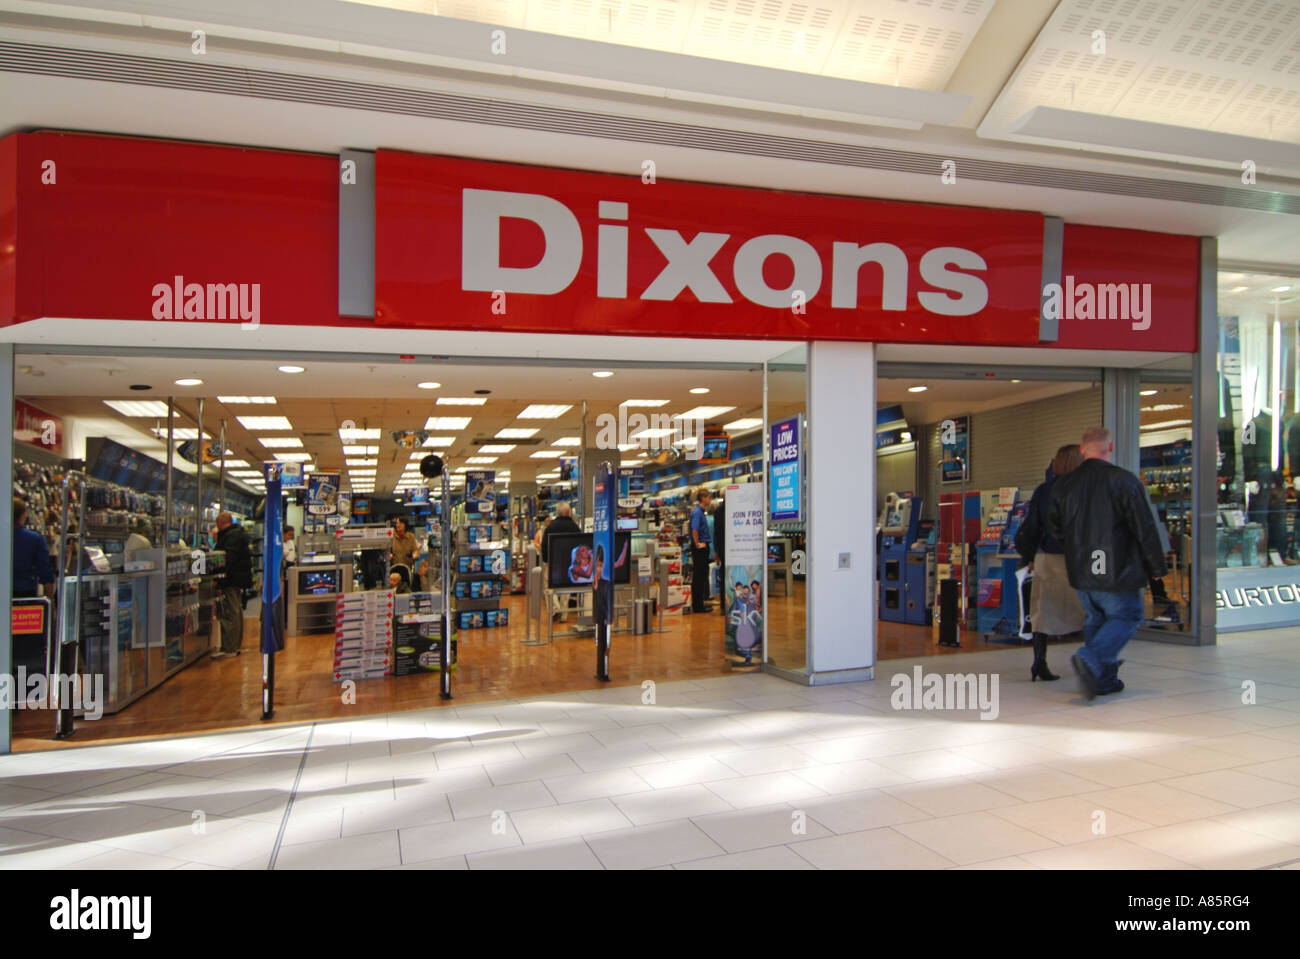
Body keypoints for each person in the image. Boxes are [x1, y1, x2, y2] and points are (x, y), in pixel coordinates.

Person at [1049, 427, 1167, 700]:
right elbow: (1144, 527)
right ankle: (1091, 657)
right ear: (1110, 447)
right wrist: (1157, 568)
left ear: (1082, 449)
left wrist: (1076, 549)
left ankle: (1103, 679)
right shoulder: (1124, 481)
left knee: (1096, 618)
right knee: (1127, 615)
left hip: (1081, 568)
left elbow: (1056, 528)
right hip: (1117, 567)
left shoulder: (1063, 485)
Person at [1016, 444, 1086, 682]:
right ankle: (1095, 661)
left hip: (1047, 557)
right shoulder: (1086, 491)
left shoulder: (1044, 491)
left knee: (1042, 611)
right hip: (1080, 559)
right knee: (1090, 611)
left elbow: (1032, 527)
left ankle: (1039, 662)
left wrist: (1027, 557)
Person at [212, 511, 253, 659]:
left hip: (231, 579)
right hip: (238, 578)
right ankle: (233, 645)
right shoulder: (237, 534)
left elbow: (228, 560)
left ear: (221, 523)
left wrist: (219, 578)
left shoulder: (230, 537)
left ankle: (230, 647)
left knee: (230, 611)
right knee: (235, 610)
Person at [542, 502, 580, 623]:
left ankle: (554, 609)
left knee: (549, 586)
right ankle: (563, 615)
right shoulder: (575, 527)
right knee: (566, 587)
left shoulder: (551, 526)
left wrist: (546, 560)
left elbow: (544, 545)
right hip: (569, 562)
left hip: (553, 562)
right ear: (569, 512)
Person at [12, 497, 54, 599]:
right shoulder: (36, 539)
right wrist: (51, 601)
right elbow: (45, 574)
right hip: (26, 594)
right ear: (24, 514)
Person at [690, 488, 713, 613]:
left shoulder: (700, 512)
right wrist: (697, 544)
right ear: (703, 498)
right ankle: (698, 606)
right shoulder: (698, 513)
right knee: (699, 576)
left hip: (702, 546)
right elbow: (695, 529)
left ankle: (700, 604)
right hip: (700, 548)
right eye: (709, 497)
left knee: (702, 575)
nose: (710, 500)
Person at [713, 496, 726, 616]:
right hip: (735, 548)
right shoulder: (735, 508)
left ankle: (723, 604)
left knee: (723, 576)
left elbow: (716, 533)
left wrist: (717, 550)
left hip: (723, 549)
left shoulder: (718, 511)